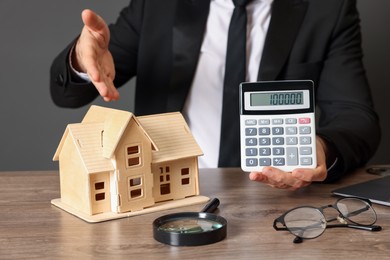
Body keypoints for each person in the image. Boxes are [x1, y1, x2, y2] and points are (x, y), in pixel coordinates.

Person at [50, 0, 381, 190]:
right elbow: (66, 93)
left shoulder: (327, 10)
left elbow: (357, 119)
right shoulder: (157, 5)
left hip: (275, 200)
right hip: (167, 195)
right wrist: (83, 59)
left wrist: (320, 147)